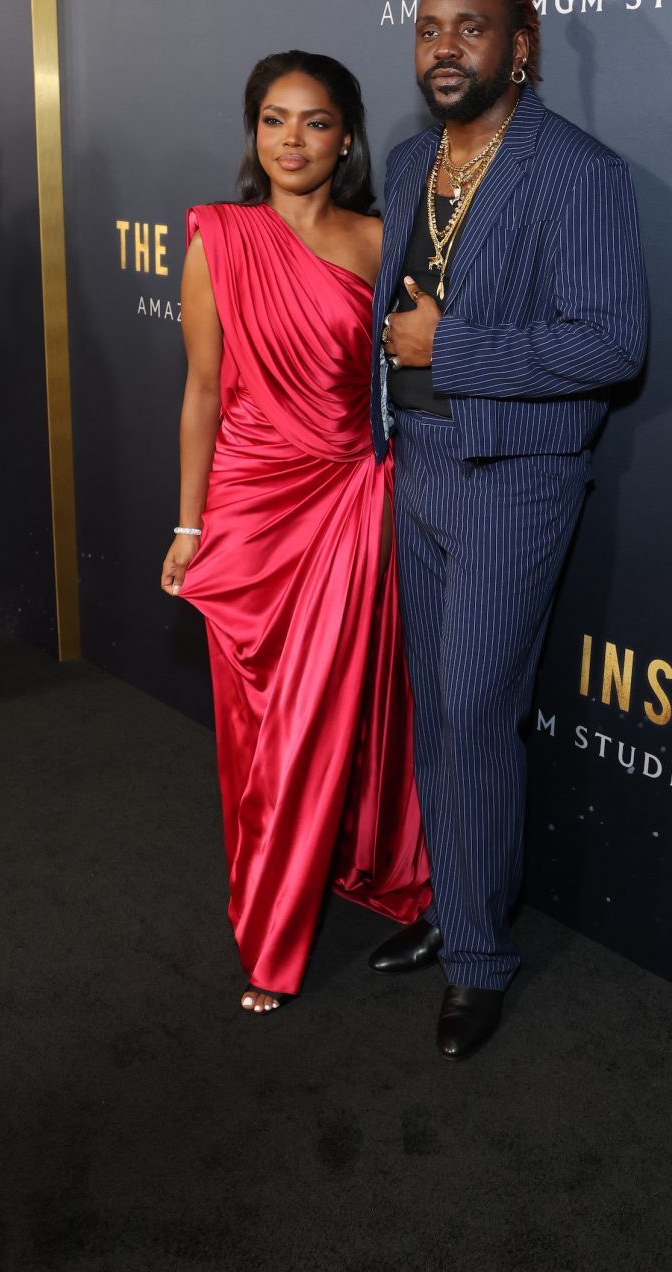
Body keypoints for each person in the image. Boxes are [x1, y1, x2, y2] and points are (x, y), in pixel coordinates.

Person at [367, 0, 648, 1059]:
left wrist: (453, 349)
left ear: (518, 46)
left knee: (477, 710)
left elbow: (612, 343)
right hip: (419, 466)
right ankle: (457, 904)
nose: (445, 47)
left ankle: (480, 959)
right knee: (439, 712)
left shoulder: (577, 171)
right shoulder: (407, 162)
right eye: (429, 27)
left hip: (512, 478)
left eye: (470, 27)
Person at [160, 51, 430, 1013]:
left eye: (315, 122)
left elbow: (415, 372)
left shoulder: (382, 240)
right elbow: (202, 391)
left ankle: (280, 935)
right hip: (247, 505)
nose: (292, 141)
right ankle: (274, 896)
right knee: (257, 727)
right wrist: (189, 523)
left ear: (346, 137)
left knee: (323, 715)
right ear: (254, 131)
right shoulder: (219, 237)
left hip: (350, 501)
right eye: (274, 120)